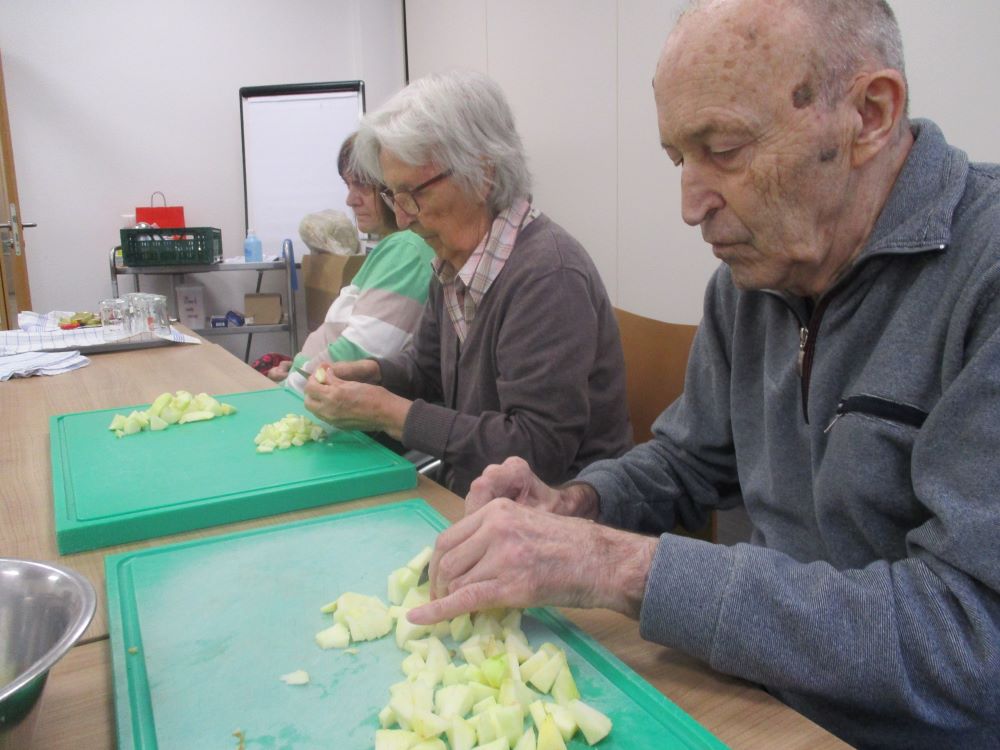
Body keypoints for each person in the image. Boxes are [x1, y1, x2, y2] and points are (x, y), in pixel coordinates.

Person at [404, 2, 1000, 748]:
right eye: (677, 158)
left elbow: (972, 640)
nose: (690, 205)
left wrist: (623, 569)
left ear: (869, 115)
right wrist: (579, 504)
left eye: (723, 148)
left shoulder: (985, 276)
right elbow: (688, 459)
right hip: (763, 697)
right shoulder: (754, 278)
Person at [302, 70, 632, 495]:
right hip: (479, 497)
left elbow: (536, 452)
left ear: (482, 174)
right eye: (392, 196)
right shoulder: (454, 262)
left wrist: (390, 412)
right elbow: (426, 372)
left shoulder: (548, 276)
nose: (402, 218)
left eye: (413, 194)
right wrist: (371, 374)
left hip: (554, 519)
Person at [267, 133, 435, 390]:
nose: (350, 200)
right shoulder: (392, 247)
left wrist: (290, 388)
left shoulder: (408, 249)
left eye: (363, 185)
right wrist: (297, 367)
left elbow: (360, 351)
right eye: (348, 185)